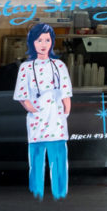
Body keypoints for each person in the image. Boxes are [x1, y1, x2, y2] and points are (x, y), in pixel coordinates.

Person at [13, 23, 73, 200]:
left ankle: (60, 193)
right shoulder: (26, 67)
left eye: (47, 40)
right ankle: (36, 193)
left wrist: (64, 112)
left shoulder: (59, 65)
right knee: (37, 158)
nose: (43, 44)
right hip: (37, 120)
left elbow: (65, 91)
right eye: (39, 40)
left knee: (59, 157)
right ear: (32, 42)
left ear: (52, 42)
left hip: (56, 118)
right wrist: (34, 109)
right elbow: (22, 95)